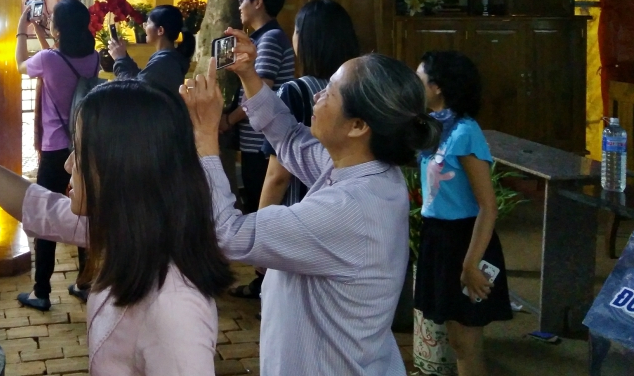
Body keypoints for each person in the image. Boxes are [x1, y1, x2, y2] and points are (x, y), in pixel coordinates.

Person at [0, 80, 234, 375]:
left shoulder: (176, 310)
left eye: (81, 150)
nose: (68, 164)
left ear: (123, 166)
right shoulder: (126, 227)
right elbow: (34, 204)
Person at [181, 33, 441, 376]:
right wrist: (248, 74)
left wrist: (204, 134)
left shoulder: (350, 207)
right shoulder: (365, 168)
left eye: (330, 92)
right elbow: (289, 137)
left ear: (358, 126)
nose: (317, 96)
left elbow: (228, 235)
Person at [232, 0, 361, 300]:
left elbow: (278, 175)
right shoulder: (356, 90)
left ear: (305, 39)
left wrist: (261, 235)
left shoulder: (296, 90)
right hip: (339, 218)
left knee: (288, 300)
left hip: (297, 216)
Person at [415, 51, 513, 376]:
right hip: (437, 238)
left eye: (420, 79)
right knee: (456, 339)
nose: (414, 86)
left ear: (438, 87)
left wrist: (471, 264)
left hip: (466, 240)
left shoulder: (465, 131)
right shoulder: (432, 129)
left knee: (468, 341)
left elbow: (488, 206)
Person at [15, 0, 100, 310]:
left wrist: (21, 30)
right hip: (82, 146)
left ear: (60, 29)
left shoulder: (49, 60)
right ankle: (84, 282)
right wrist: (43, 32)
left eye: (52, 22)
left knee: (47, 215)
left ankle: (41, 291)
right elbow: (59, 56)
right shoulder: (92, 57)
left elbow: (22, 64)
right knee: (84, 211)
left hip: (54, 149)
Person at [220, 0, 295, 217]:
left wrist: (228, 120)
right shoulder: (260, 38)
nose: (239, 7)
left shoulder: (270, 39)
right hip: (257, 140)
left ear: (258, 3)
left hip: (262, 141)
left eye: (243, 1)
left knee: (260, 209)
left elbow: (259, 91)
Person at [107, 4, 194, 94]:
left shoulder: (164, 62)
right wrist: (123, 56)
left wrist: (120, 59)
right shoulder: (168, 59)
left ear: (160, 30)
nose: (144, 27)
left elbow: (134, 90)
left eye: (148, 23)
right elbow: (140, 78)